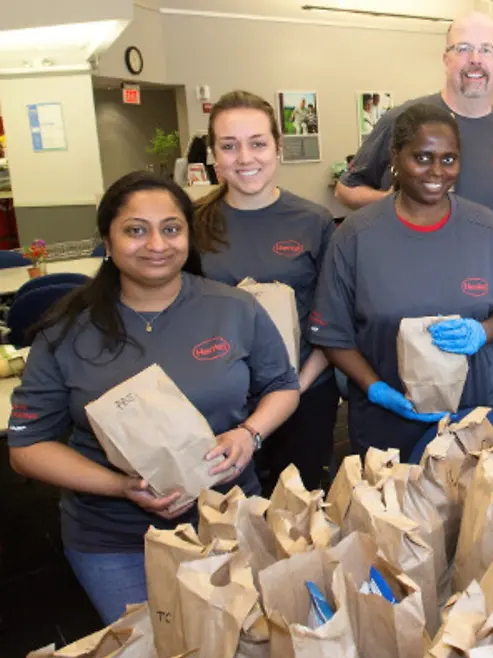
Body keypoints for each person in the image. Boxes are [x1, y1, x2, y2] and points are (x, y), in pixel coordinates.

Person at [7, 172, 299, 624]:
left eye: (171, 228)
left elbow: (283, 386)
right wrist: (122, 486)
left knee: (241, 645)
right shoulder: (67, 329)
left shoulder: (235, 308)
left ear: (188, 235)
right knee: (151, 651)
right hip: (116, 540)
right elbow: (27, 448)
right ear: (107, 240)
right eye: (135, 230)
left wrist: (249, 435)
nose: (157, 244)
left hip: (229, 520)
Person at [310, 103, 493, 461]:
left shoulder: (485, 229)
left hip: (469, 421)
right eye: (422, 157)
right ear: (396, 157)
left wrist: (482, 332)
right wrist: (374, 386)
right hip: (386, 424)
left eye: (448, 159)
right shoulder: (357, 235)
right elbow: (332, 334)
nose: (436, 171)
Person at [194, 90, 337, 493]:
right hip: (221, 403)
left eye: (257, 143)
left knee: (298, 513)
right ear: (214, 156)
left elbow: (332, 321)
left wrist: (293, 390)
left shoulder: (314, 222)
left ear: (277, 147)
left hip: (305, 393)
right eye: (229, 146)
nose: (245, 157)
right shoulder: (192, 226)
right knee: (228, 518)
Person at [335, 12, 493, 226]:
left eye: (487, 49)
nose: (475, 59)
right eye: (463, 48)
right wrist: (392, 202)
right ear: (446, 60)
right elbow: (345, 189)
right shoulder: (403, 119)